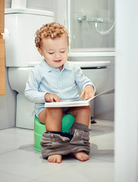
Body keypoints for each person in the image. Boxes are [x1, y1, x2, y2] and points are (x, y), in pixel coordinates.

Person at [24, 22, 95, 164]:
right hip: (47, 109)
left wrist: (88, 87)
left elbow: (85, 81)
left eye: (62, 51)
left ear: (67, 48)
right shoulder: (38, 71)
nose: (57, 56)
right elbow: (29, 92)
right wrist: (45, 96)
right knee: (55, 108)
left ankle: (78, 145)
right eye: (51, 52)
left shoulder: (74, 69)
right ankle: (54, 148)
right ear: (40, 51)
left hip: (70, 105)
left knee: (85, 108)